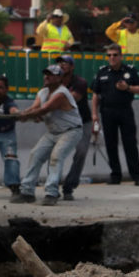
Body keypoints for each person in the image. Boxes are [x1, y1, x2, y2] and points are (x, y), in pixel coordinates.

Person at [11, 64, 83, 206]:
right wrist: (23, 114)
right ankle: (27, 191)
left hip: (71, 131)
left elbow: (44, 109)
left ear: (59, 78)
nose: (47, 77)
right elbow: (34, 108)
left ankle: (51, 192)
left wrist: (25, 116)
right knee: (35, 154)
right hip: (53, 132)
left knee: (56, 157)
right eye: (46, 74)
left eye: (51, 74)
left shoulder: (61, 94)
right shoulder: (43, 92)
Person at [90, 43, 139, 185]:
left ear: (121, 56)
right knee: (110, 144)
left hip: (125, 110)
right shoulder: (102, 72)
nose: (112, 58)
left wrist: (128, 87)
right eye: (109, 55)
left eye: (115, 55)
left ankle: (136, 175)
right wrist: (94, 115)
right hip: (107, 111)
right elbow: (95, 95)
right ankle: (115, 175)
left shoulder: (130, 71)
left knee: (130, 143)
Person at [53, 54, 93, 200]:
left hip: (83, 122)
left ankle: (69, 186)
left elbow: (70, 99)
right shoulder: (53, 82)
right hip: (63, 124)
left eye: (66, 63)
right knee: (57, 154)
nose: (62, 65)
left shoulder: (80, 82)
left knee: (81, 153)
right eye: (59, 63)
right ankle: (53, 185)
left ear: (72, 67)